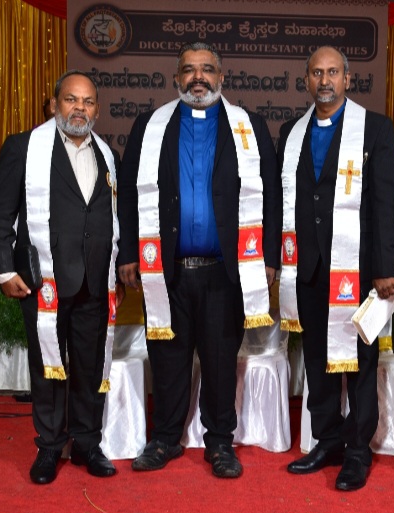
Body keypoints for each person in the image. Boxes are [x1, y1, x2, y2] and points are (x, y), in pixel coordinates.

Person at [118, 42, 279, 479]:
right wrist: (129, 251)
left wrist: (267, 256)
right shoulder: (151, 126)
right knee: (167, 358)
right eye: (189, 70)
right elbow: (129, 192)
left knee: (221, 360)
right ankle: (165, 438)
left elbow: (271, 193)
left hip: (225, 272)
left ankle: (220, 442)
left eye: (207, 69)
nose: (198, 77)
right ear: (176, 78)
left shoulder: (248, 126)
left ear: (221, 77)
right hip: (166, 271)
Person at [0, 70, 120, 485]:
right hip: (44, 279)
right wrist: (4, 269)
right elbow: (0, 213)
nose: (79, 108)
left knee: (89, 366)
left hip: (95, 280)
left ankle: (86, 443)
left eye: (88, 101)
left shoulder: (107, 154)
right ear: (53, 104)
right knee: (47, 366)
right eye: (71, 99)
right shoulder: (24, 147)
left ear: (97, 110)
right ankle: (48, 446)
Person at [278, 46, 394, 491]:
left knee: (360, 364)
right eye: (316, 73)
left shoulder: (375, 129)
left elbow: (385, 202)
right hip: (308, 268)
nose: (324, 81)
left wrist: (385, 268)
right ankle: (327, 439)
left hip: (359, 269)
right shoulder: (291, 132)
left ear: (348, 79)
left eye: (333, 72)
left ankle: (358, 450)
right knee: (317, 360)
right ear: (306, 80)